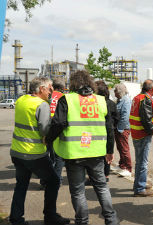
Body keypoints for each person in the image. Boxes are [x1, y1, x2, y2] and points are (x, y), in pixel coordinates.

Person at [46, 70, 119, 225]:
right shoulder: (101, 100)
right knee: (101, 187)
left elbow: (58, 123)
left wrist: (49, 139)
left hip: (74, 154)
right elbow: (109, 128)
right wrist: (110, 150)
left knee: (78, 191)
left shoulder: (67, 99)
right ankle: (111, 220)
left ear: (73, 83)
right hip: (97, 153)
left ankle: (82, 221)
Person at [9, 77, 70, 225]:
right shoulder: (41, 105)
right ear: (41, 89)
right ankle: (50, 216)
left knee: (21, 184)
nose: (51, 91)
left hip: (17, 151)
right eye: (49, 88)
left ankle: (16, 219)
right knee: (54, 181)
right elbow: (44, 129)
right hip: (34, 153)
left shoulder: (21, 100)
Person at [129, 79, 153, 197]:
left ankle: (138, 183)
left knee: (139, 161)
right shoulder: (145, 100)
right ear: (152, 89)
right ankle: (140, 188)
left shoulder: (137, 97)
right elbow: (146, 120)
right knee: (143, 162)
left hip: (136, 133)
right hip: (142, 134)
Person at [40, 77, 66, 189]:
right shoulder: (63, 97)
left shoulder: (47, 96)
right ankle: (56, 180)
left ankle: (44, 180)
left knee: (48, 157)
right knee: (59, 158)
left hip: (46, 130)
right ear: (63, 88)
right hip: (58, 132)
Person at [95, 80, 119, 182]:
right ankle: (106, 175)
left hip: (97, 132)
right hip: (109, 132)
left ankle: (97, 176)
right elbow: (117, 117)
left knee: (97, 156)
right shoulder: (112, 103)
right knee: (107, 154)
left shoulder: (95, 104)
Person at [113, 83, 132, 177]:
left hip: (123, 128)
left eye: (115, 90)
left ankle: (128, 168)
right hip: (119, 128)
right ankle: (122, 165)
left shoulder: (126, 101)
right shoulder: (120, 100)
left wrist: (120, 129)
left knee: (124, 149)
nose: (114, 92)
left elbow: (125, 117)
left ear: (119, 92)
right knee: (120, 148)